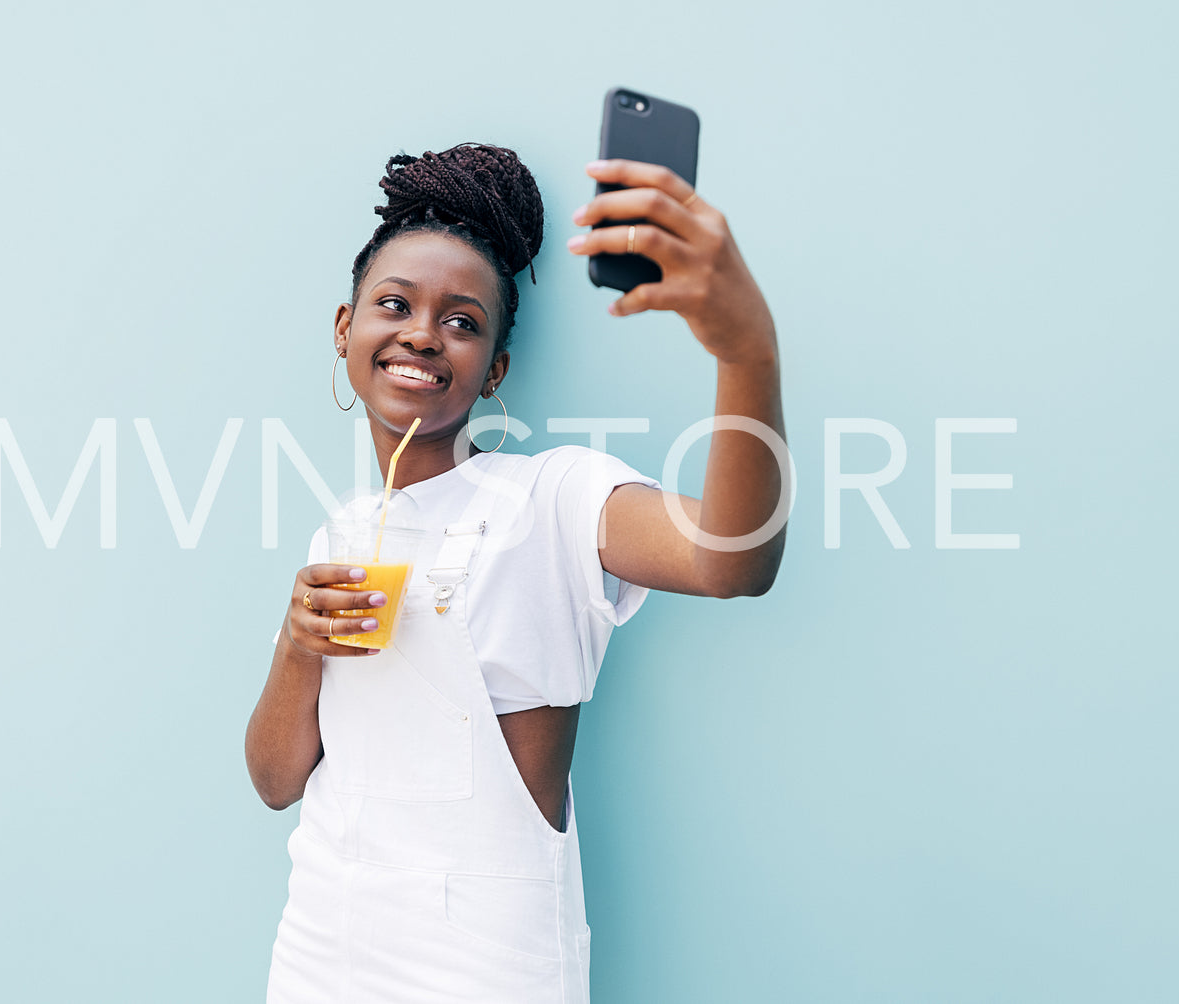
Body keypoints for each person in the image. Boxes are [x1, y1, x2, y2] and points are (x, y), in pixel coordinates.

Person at [245, 142, 786, 1003]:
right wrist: (297, 645)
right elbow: (277, 783)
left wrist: (745, 353)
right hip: (325, 940)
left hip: (485, 958)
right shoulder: (341, 533)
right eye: (394, 304)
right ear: (346, 329)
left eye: (462, 322)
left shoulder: (552, 499)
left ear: (493, 370)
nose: (423, 333)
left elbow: (733, 559)